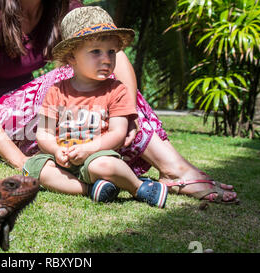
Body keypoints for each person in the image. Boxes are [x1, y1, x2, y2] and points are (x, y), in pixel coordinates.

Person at [0, 0, 238, 204]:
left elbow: (110, 50)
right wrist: (21, 161)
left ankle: (172, 167)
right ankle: (175, 170)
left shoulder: (62, 5)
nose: (107, 56)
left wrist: (130, 116)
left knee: (101, 77)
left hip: (25, 116)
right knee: (72, 76)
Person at [22, 6, 168, 207]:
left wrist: (88, 150)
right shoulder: (56, 91)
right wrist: (56, 150)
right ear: (72, 57)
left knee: (106, 164)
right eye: (96, 52)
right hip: (63, 159)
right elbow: (44, 133)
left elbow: (118, 134)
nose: (106, 59)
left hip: (97, 156)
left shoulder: (116, 90)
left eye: (111, 52)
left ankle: (139, 188)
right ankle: (92, 190)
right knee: (34, 168)